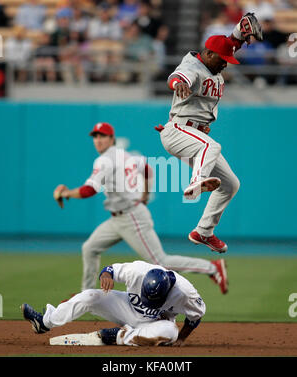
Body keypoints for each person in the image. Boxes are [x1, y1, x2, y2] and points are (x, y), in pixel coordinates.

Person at [53, 122, 228, 294]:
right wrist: (145, 194)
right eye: (95, 136)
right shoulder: (126, 156)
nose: (98, 140)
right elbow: (147, 168)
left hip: (132, 217)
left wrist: (65, 193)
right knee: (89, 248)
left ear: (111, 138)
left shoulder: (104, 160)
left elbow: (89, 190)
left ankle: (212, 267)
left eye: (102, 136)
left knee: (161, 261)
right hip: (117, 219)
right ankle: (88, 295)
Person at [156, 13, 263, 253]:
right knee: (212, 147)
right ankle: (196, 182)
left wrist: (240, 29)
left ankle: (203, 232)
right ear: (208, 54)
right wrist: (177, 84)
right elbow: (177, 77)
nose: (226, 63)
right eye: (222, 59)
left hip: (194, 135)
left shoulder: (215, 56)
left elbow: (230, 43)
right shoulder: (192, 65)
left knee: (231, 184)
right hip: (180, 130)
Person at [21, 260, 206, 346]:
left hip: (155, 324)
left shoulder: (185, 293)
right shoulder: (137, 271)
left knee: (170, 332)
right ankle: (44, 323)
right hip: (126, 307)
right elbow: (109, 269)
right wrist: (106, 276)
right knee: (91, 295)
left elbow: (196, 315)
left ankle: (116, 336)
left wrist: (182, 338)